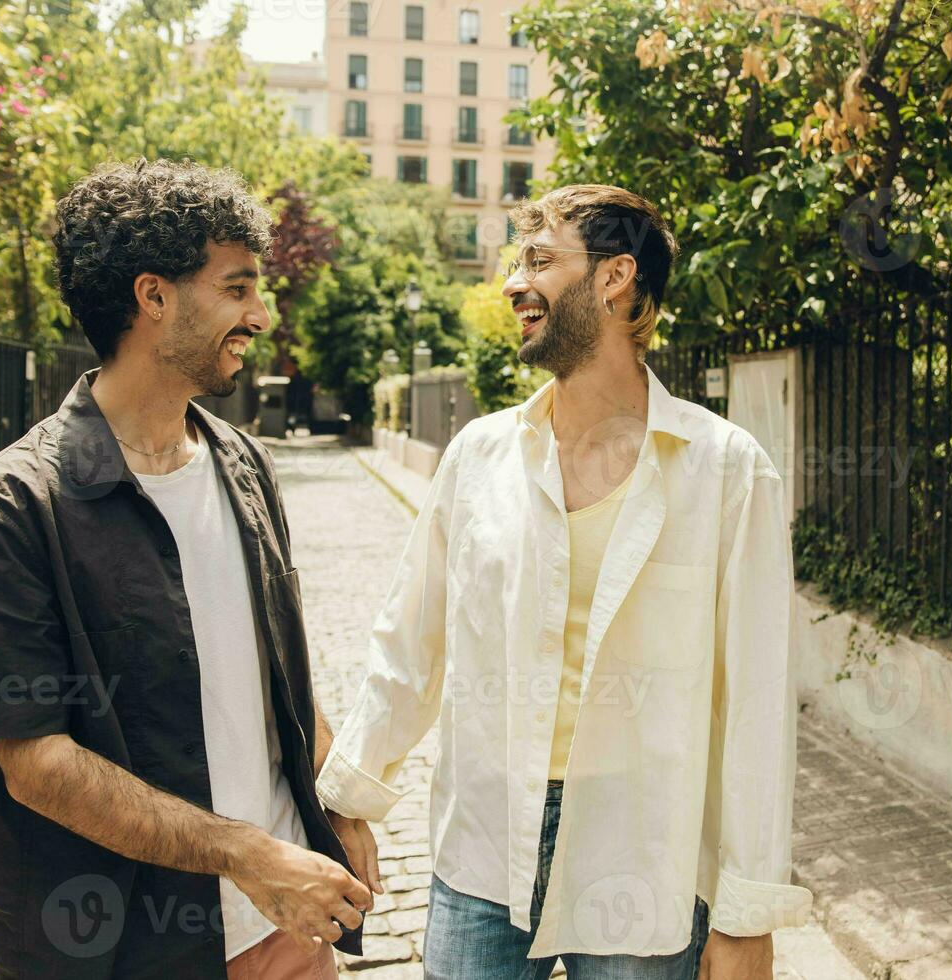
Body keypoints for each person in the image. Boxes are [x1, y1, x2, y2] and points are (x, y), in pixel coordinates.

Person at [316, 184, 813, 980]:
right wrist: (346, 797)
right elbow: (409, 643)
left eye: (540, 260)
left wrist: (748, 915)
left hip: (644, 850)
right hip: (482, 844)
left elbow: (757, 703)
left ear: (617, 278)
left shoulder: (726, 472)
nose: (515, 282)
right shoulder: (478, 458)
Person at [0, 159, 378, 979]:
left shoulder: (244, 462)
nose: (260, 315)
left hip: (286, 934)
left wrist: (334, 802)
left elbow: (283, 672)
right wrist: (244, 853)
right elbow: (38, 767)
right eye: (237, 289)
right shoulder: (10, 506)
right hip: (127, 950)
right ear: (153, 296)